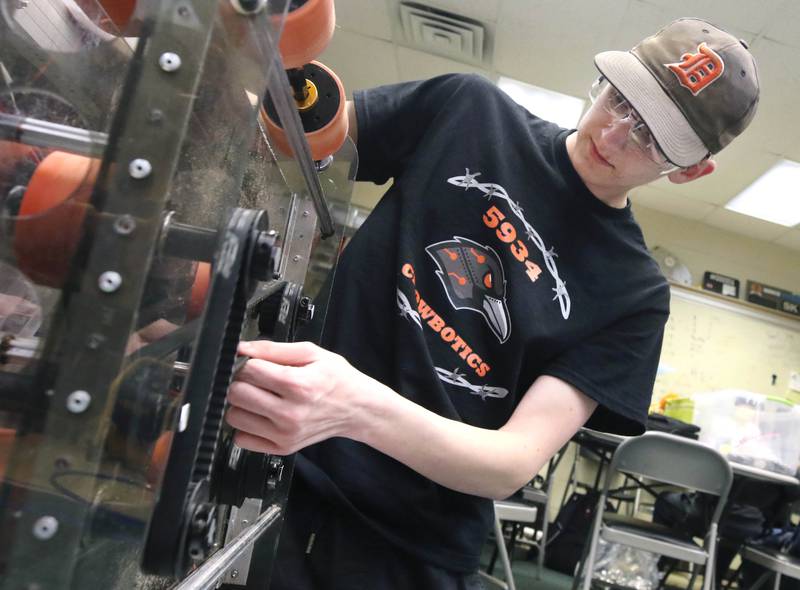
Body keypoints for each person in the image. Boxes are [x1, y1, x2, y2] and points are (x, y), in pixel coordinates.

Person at [225, 17, 760, 589]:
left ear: (691, 171)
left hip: (411, 542)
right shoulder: (470, 112)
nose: (613, 136)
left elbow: (510, 461)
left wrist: (352, 406)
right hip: (271, 453)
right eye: (621, 99)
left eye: (652, 138)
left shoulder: (635, 294)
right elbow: (299, 136)